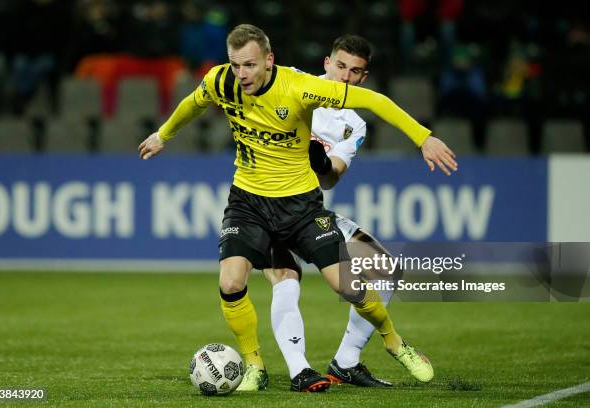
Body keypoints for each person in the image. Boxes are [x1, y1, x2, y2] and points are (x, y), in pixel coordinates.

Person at [138, 24, 457, 393]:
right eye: (236, 65)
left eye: (355, 72)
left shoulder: (326, 103)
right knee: (249, 281)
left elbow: (362, 125)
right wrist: (164, 135)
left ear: (268, 62)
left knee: (367, 277)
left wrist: (423, 137)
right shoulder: (230, 81)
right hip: (250, 202)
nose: (241, 74)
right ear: (327, 62)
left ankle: (387, 344)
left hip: (303, 205)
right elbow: (194, 101)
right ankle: (271, 367)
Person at [263, 34, 434, 391]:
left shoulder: (355, 124)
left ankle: (346, 362)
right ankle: (299, 371)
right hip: (264, 203)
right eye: (340, 66)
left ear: (363, 78)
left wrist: (321, 162)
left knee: (384, 269)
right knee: (286, 278)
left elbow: (330, 178)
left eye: (354, 71)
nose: (344, 77)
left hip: (309, 209)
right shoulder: (292, 80)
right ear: (326, 63)